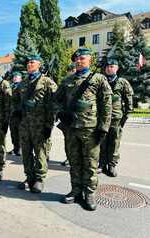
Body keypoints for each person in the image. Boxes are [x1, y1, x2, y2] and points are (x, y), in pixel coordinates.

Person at [56, 47, 112, 211]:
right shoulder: (67, 80)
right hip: (71, 129)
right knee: (74, 161)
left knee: (90, 163)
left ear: (90, 60)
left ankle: (89, 193)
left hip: (90, 129)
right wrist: (61, 113)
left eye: (83, 58)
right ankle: (76, 190)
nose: (79, 61)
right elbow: (55, 100)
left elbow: (106, 105)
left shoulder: (99, 79)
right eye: (77, 59)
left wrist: (103, 127)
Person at [17, 55, 57, 193]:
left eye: (32, 62)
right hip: (25, 124)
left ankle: (39, 179)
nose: (29, 64)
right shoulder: (23, 83)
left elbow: (53, 105)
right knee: (26, 152)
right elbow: (17, 102)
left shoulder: (47, 82)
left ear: (39, 64)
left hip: (40, 125)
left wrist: (49, 125)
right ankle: (29, 177)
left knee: (40, 152)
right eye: (28, 62)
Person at [99, 58, 134, 177]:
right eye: (108, 66)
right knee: (102, 140)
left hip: (116, 117)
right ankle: (102, 163)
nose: (109, 68)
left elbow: (128, 99)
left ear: (117, 68)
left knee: (114, 141)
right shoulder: (100, 80)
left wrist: (126, 115)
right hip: (102, 117)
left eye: (112, 66)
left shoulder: (122, 82)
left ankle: (112, 165)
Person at [60, 63, 77, 167]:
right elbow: (58, 99)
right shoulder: (65, 83)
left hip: (80, 117)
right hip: (67, 117)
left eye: (74, 70)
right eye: (70, 70)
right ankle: (69, 158)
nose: (72, 72)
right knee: (68, 140)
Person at [8, 71, 23, 156]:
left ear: (20, 78)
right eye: (14, 77)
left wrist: (20, 110)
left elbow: (22, 99)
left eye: (16, 77)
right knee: (13, 132)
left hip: (19, 113)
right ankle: (15, 148)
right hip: (12, 113)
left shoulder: (22, 86)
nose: (15, 78)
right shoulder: (11, 86)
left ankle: (20, 149)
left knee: (19, 132)